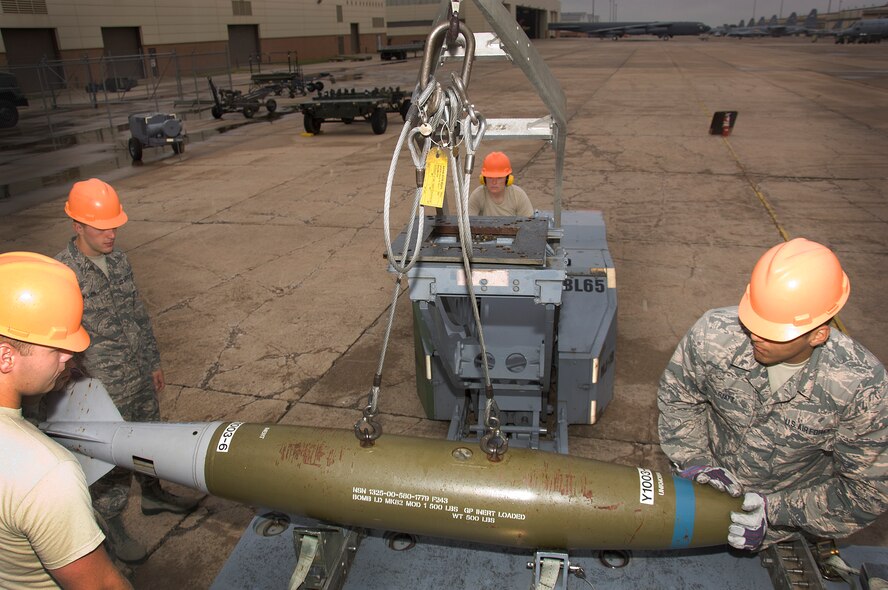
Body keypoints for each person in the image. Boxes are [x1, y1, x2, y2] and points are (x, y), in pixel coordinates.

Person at [657, 238, 887, 552]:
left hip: (785, 528)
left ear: (818, 333)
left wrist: (774, 510)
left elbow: (867, 492)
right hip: (697, 497)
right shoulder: (714, 336)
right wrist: (696, 462)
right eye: (753, 320)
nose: (753, 335)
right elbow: (678, 398)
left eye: (771, 331)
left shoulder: (861, 389)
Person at [55, 178, 198, 564]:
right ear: (77, 226)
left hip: (136, 371)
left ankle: (153, 494)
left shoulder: (119, 260)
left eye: (114, 225)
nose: (111, 234)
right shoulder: (63, 275)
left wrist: (152, 361)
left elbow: (138, 313)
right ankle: (111, 521)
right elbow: (60, 342)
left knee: (149, 437)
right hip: (100, 386)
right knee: (109, 457)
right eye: (101, 227)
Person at [0, 251, 132, 589]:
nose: (69, 356)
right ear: (5, 357)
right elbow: (100, 584)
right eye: (55, 348)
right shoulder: (47, 474)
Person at [468, 152, 534, 217]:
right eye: (490, 178)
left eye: (499, 178)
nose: (494, 182)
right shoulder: (477, 196)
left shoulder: (518, 196)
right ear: (484, 179)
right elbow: (467, 224)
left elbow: (529, 224)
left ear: (508, 179)